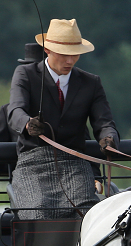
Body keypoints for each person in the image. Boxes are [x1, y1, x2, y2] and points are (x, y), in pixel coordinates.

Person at [6, 18, 119, 219]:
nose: (70, 61)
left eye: (75, 55)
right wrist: (28, 123)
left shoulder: (91, 83)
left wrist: (109, 138)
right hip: (33, 163)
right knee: (38, 214)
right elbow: (15, 111)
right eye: (64, 55)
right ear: (47, 50)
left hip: (75, 163)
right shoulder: (25, 74)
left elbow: (104, 122)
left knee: (87, 215)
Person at [0, 43, 103, 208]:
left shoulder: (68, 109)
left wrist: (94, 176)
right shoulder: (9, 111)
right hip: (30, 176)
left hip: (71, 173)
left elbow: (82, 142)